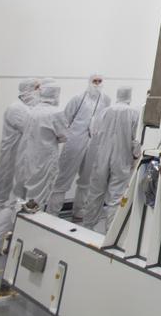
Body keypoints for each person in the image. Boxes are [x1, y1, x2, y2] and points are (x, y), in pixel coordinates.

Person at [0, 82, 68, 255]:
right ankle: (26, 246)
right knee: (33, 205)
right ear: (55, 95)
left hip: (23, 162)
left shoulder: (30, 110)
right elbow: (63, 135)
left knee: (13, 202)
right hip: (41, 164)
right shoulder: (55, 113)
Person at [0, 78, 39, 242]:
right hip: (10, 157)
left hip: (19, 157)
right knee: (1, 195)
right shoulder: (16, 108)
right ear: (27, 89)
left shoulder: (26, 107)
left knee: (7, 195)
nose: (39, 91)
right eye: (36, 88)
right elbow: (32, 129)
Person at [48, 74, 109, 219]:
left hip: (93, 142)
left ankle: (79, 210)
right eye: (94, 81)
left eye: (100, 81)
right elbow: (65, 118)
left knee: (86, 179)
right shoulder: (78, 98)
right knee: (64, 178)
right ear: (89, 82)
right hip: (75, 141)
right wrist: (66, 136)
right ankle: (52, 212)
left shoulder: (105, 100)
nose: (97, 84)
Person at [81, 88, 141, 232]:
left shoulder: (104, 111)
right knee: (116, 197)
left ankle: (87, 227)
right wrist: (136, 155)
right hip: (122, 158)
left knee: (95, 193)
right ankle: (110, 232)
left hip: (101, 156)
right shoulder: (133, 113)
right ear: (129, 96)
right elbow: (136, 140)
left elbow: (93, 131)